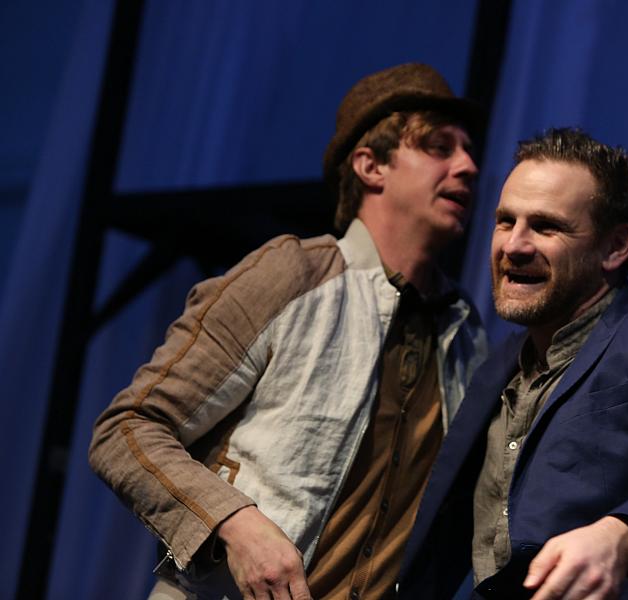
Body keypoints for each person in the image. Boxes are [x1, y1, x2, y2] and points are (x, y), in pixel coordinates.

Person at [89, 62, 488, 600]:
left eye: (469, 151)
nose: (468, 166)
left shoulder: (464, 330)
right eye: (440, 147)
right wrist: (235, 523)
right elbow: (127, 429)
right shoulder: (293, 274)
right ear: (371, 166)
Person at [398, 128, 628, 599]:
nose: (514, 245)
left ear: (615, 247)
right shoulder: (498, 367)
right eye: (505, 221)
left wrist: (620, 537)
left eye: (546, 226)